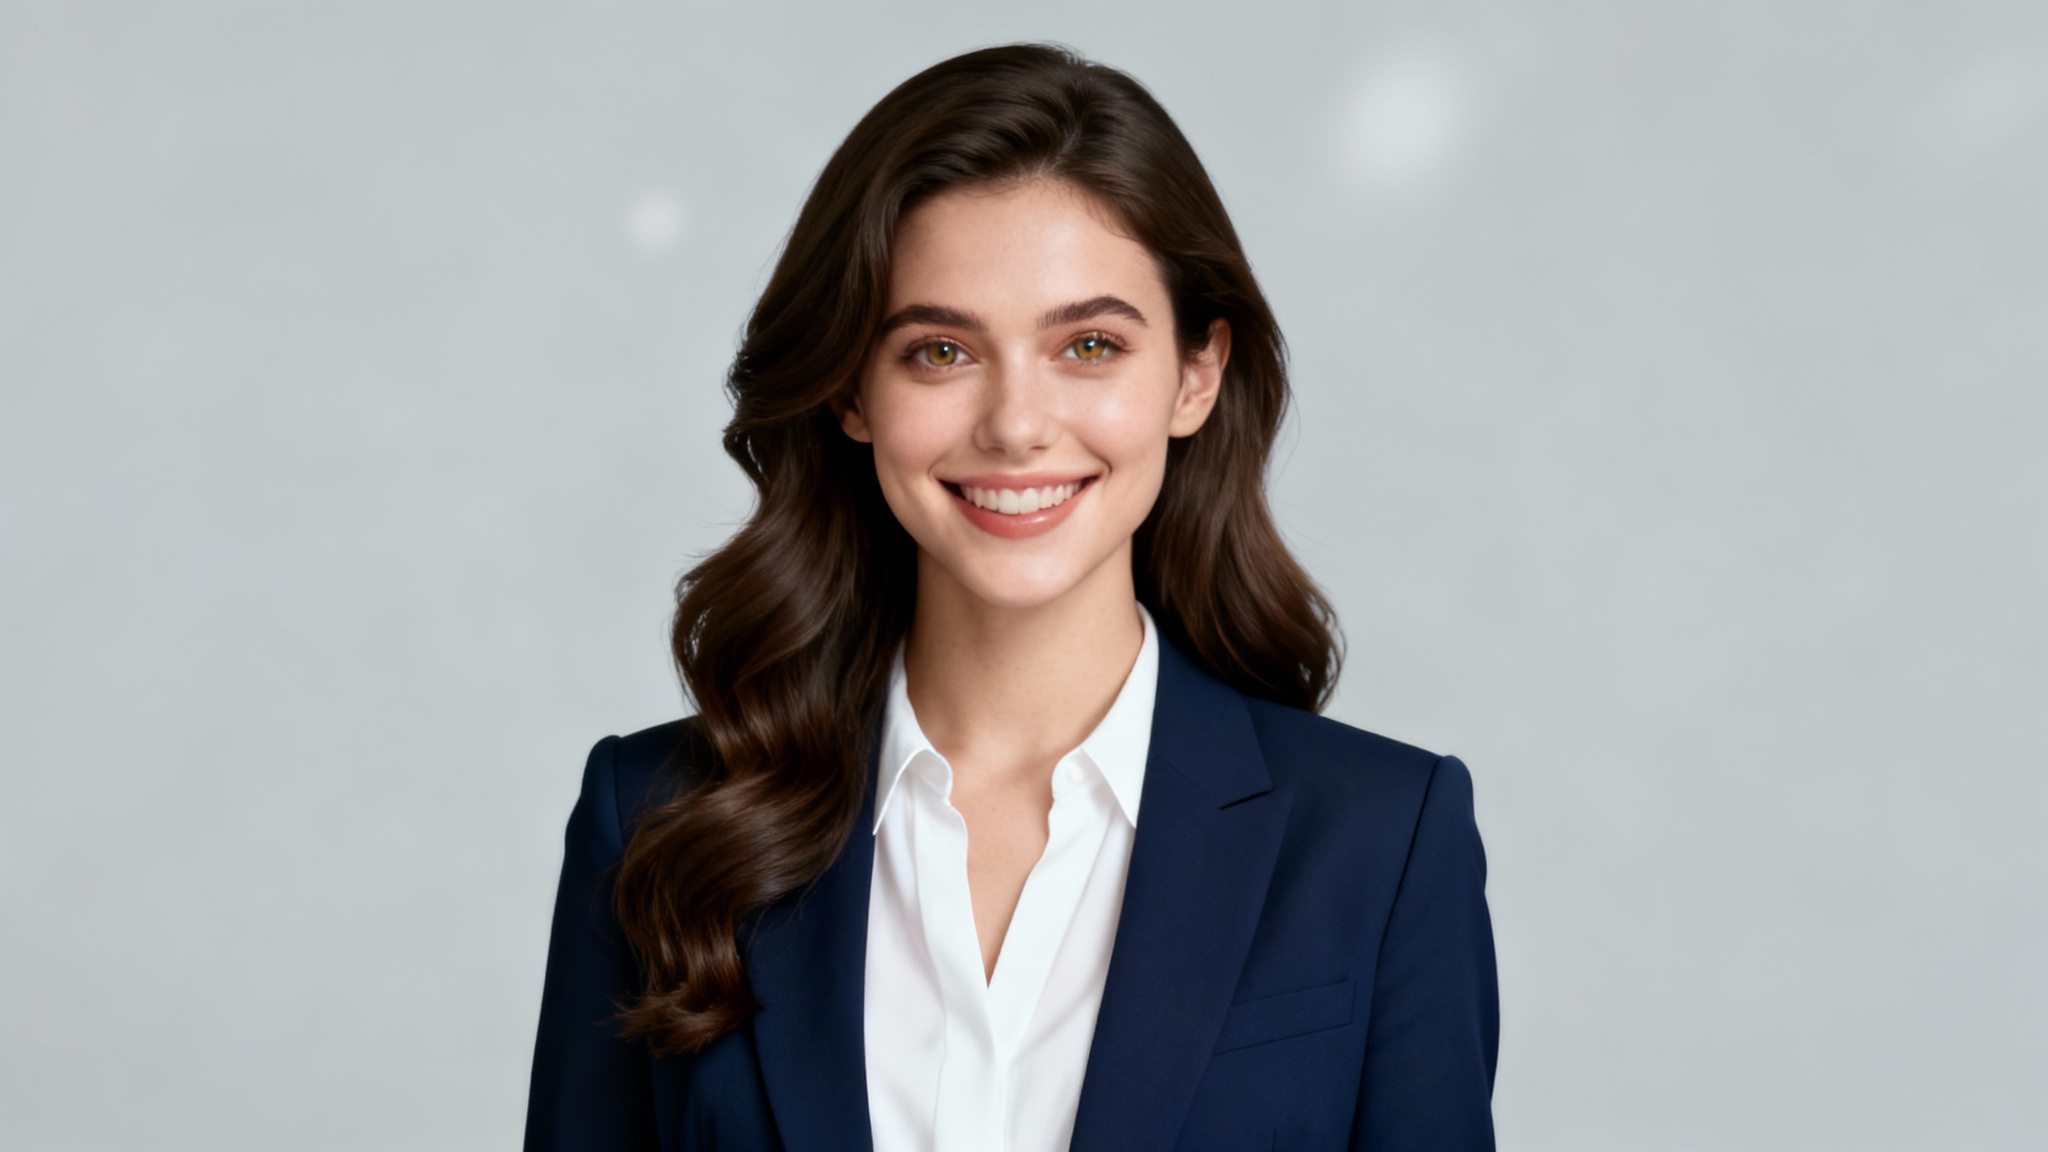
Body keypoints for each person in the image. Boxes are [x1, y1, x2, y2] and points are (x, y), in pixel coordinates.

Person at [526, 43, 1497, 1152]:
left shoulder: (1379, 840)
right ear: (851, 391)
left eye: (1088, 345)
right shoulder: (654, 817)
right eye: (939, 351)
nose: (1015, 425)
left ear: (1195, 374)